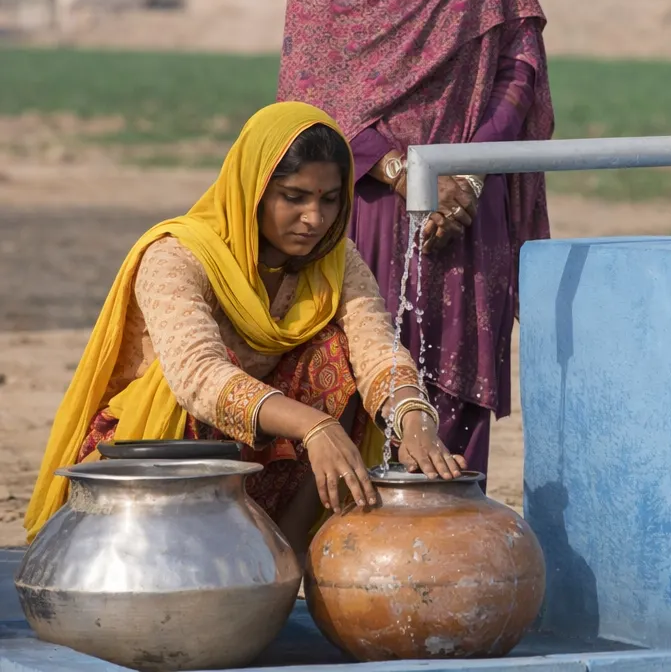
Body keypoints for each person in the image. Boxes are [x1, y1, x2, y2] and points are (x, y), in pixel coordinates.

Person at [25, 102, 465, 548]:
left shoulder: (336, 259)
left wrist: (413, 419)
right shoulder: (177, 255)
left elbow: (375, 347)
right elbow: (199, 378)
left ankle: (285, 555)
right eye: (294, 197)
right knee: (189, 391)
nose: (314, 219)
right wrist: (313, 426)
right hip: (154, 455)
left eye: (329, 200)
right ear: (252, 189)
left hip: (262, 451)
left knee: (335, 354)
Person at [277, 0, 554, 483]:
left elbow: (519, 66)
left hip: (468, 210)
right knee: (353, 379)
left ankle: (449, 557)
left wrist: (468, 170)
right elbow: (312, 103)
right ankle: (352, 571)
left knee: (456, 394)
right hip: (366, 204)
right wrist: (405, 173)